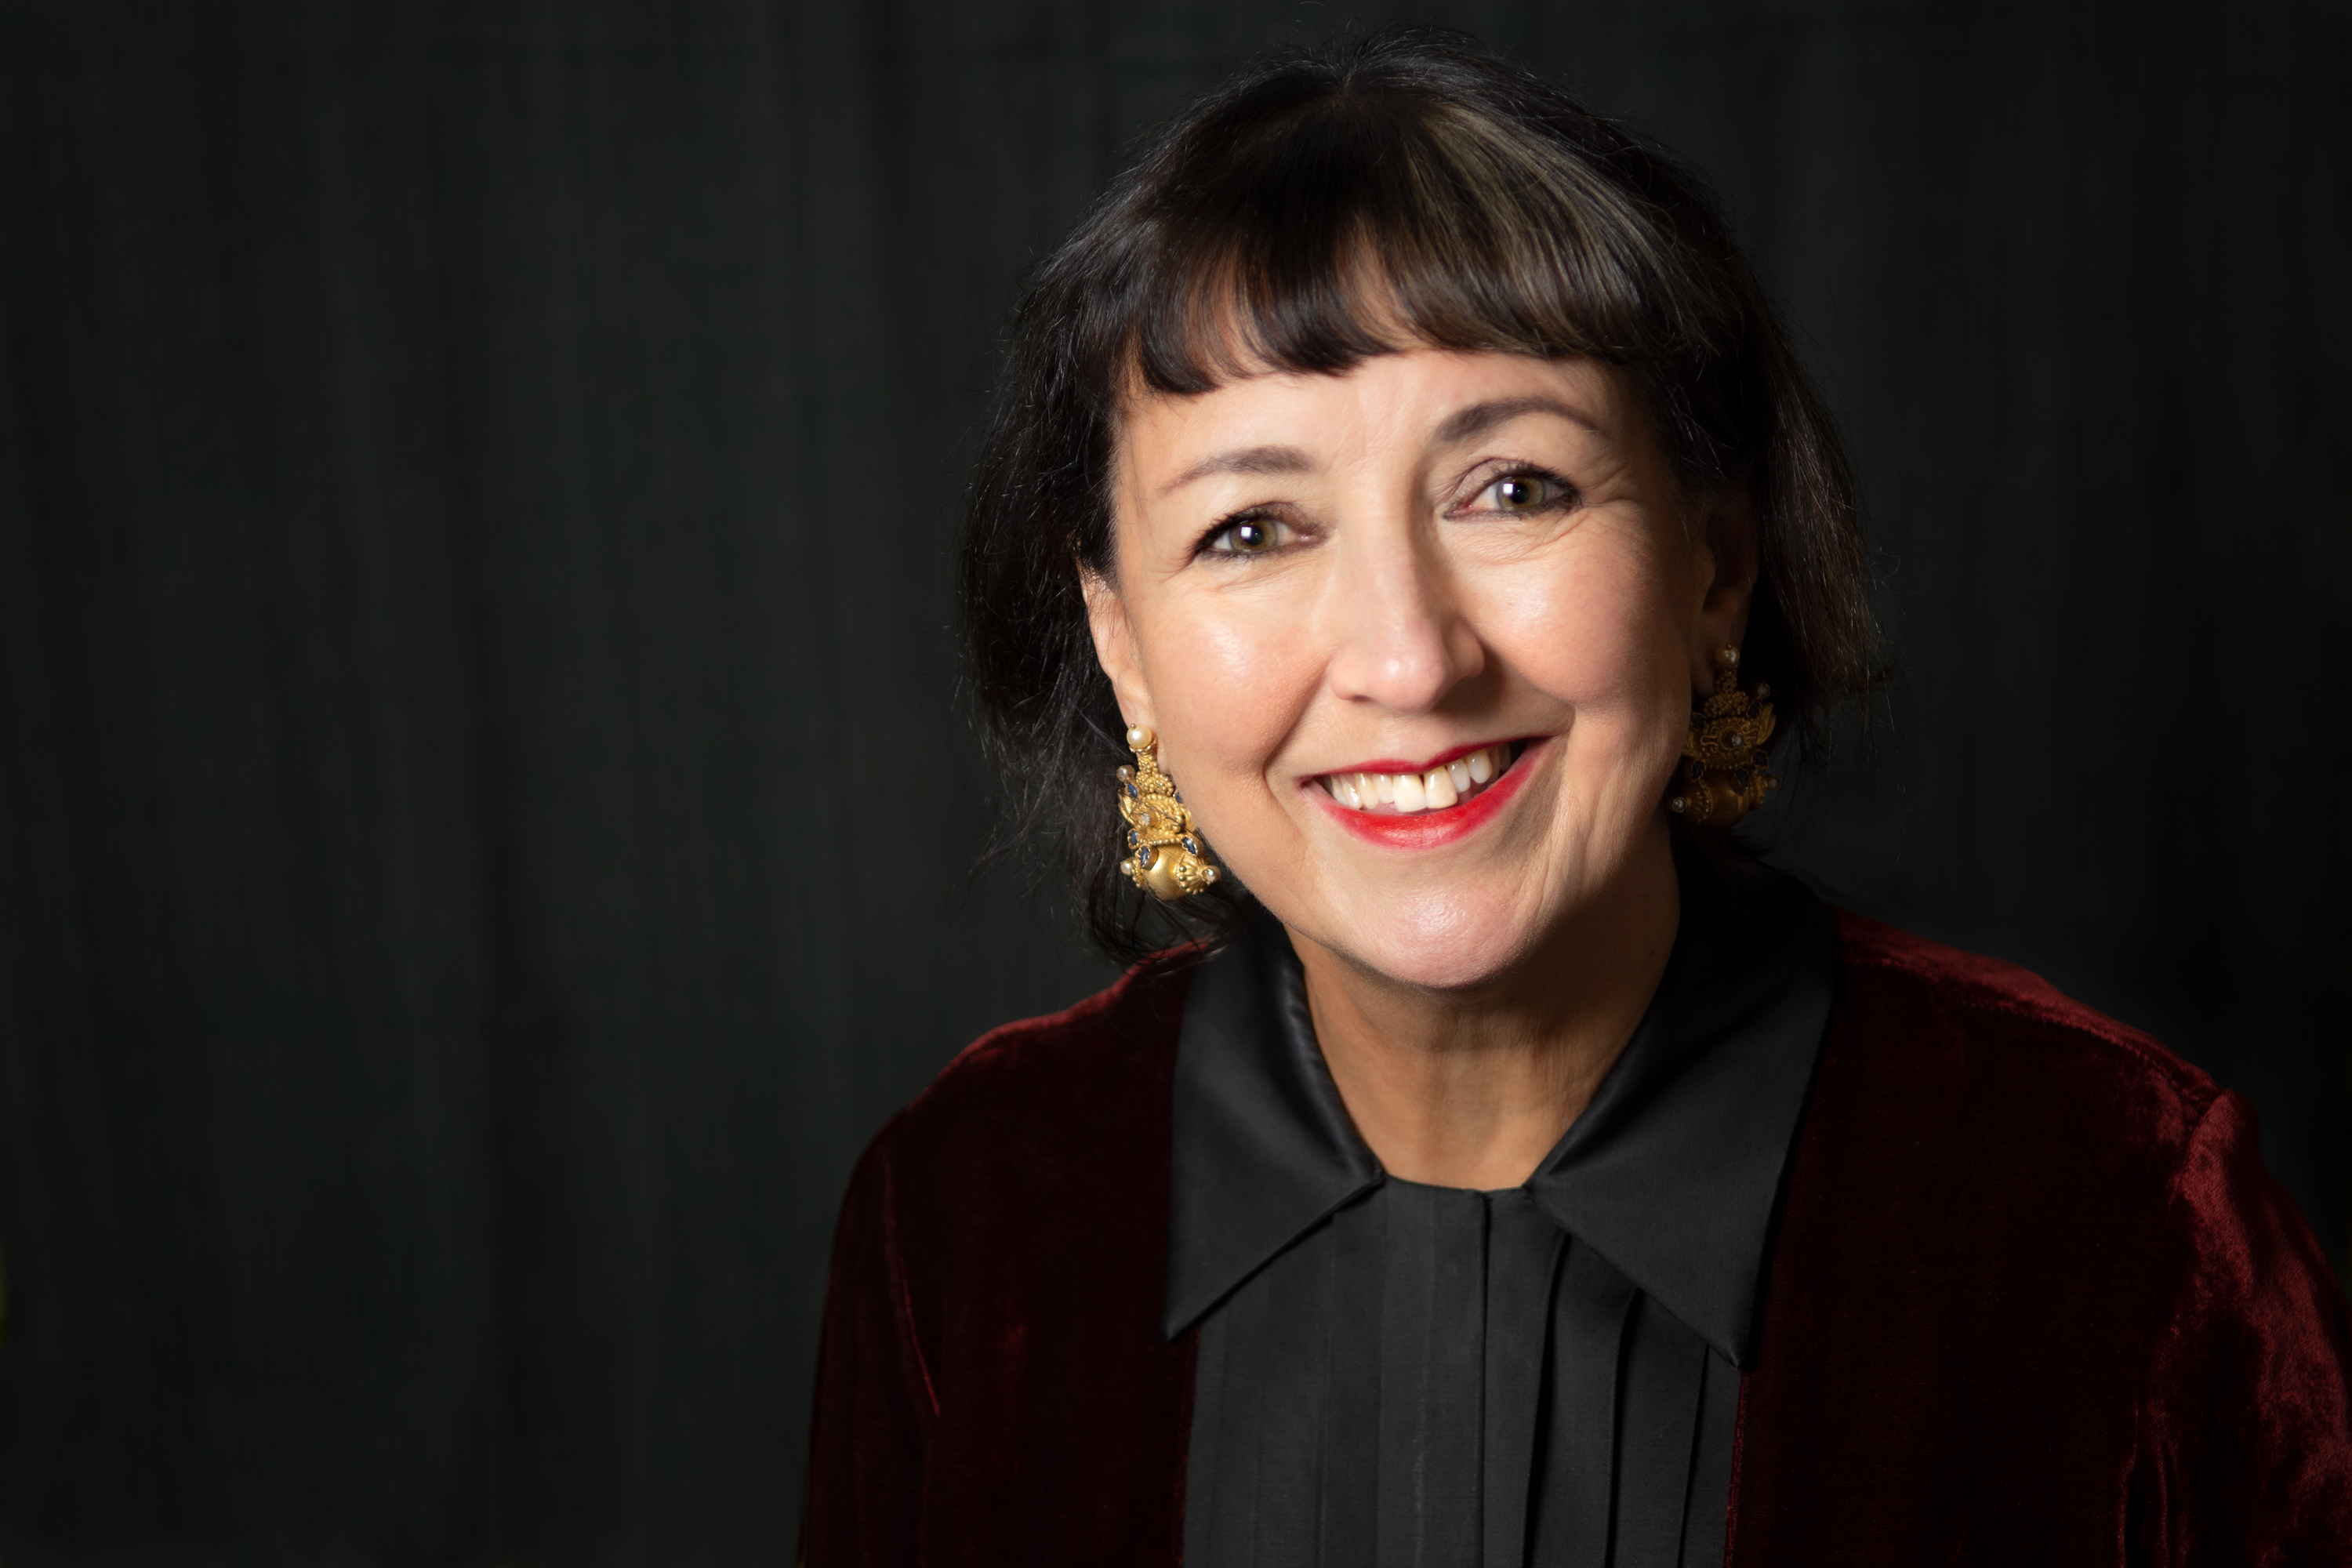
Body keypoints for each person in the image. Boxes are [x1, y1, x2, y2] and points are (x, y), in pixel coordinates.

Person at [800, 30, 2352, 1566]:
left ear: (1714, 565)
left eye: (1513, 490)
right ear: (1123, 647)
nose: (1409, 660)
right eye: (1254, 528)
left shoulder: (2122, 1217)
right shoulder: (966, 1213)